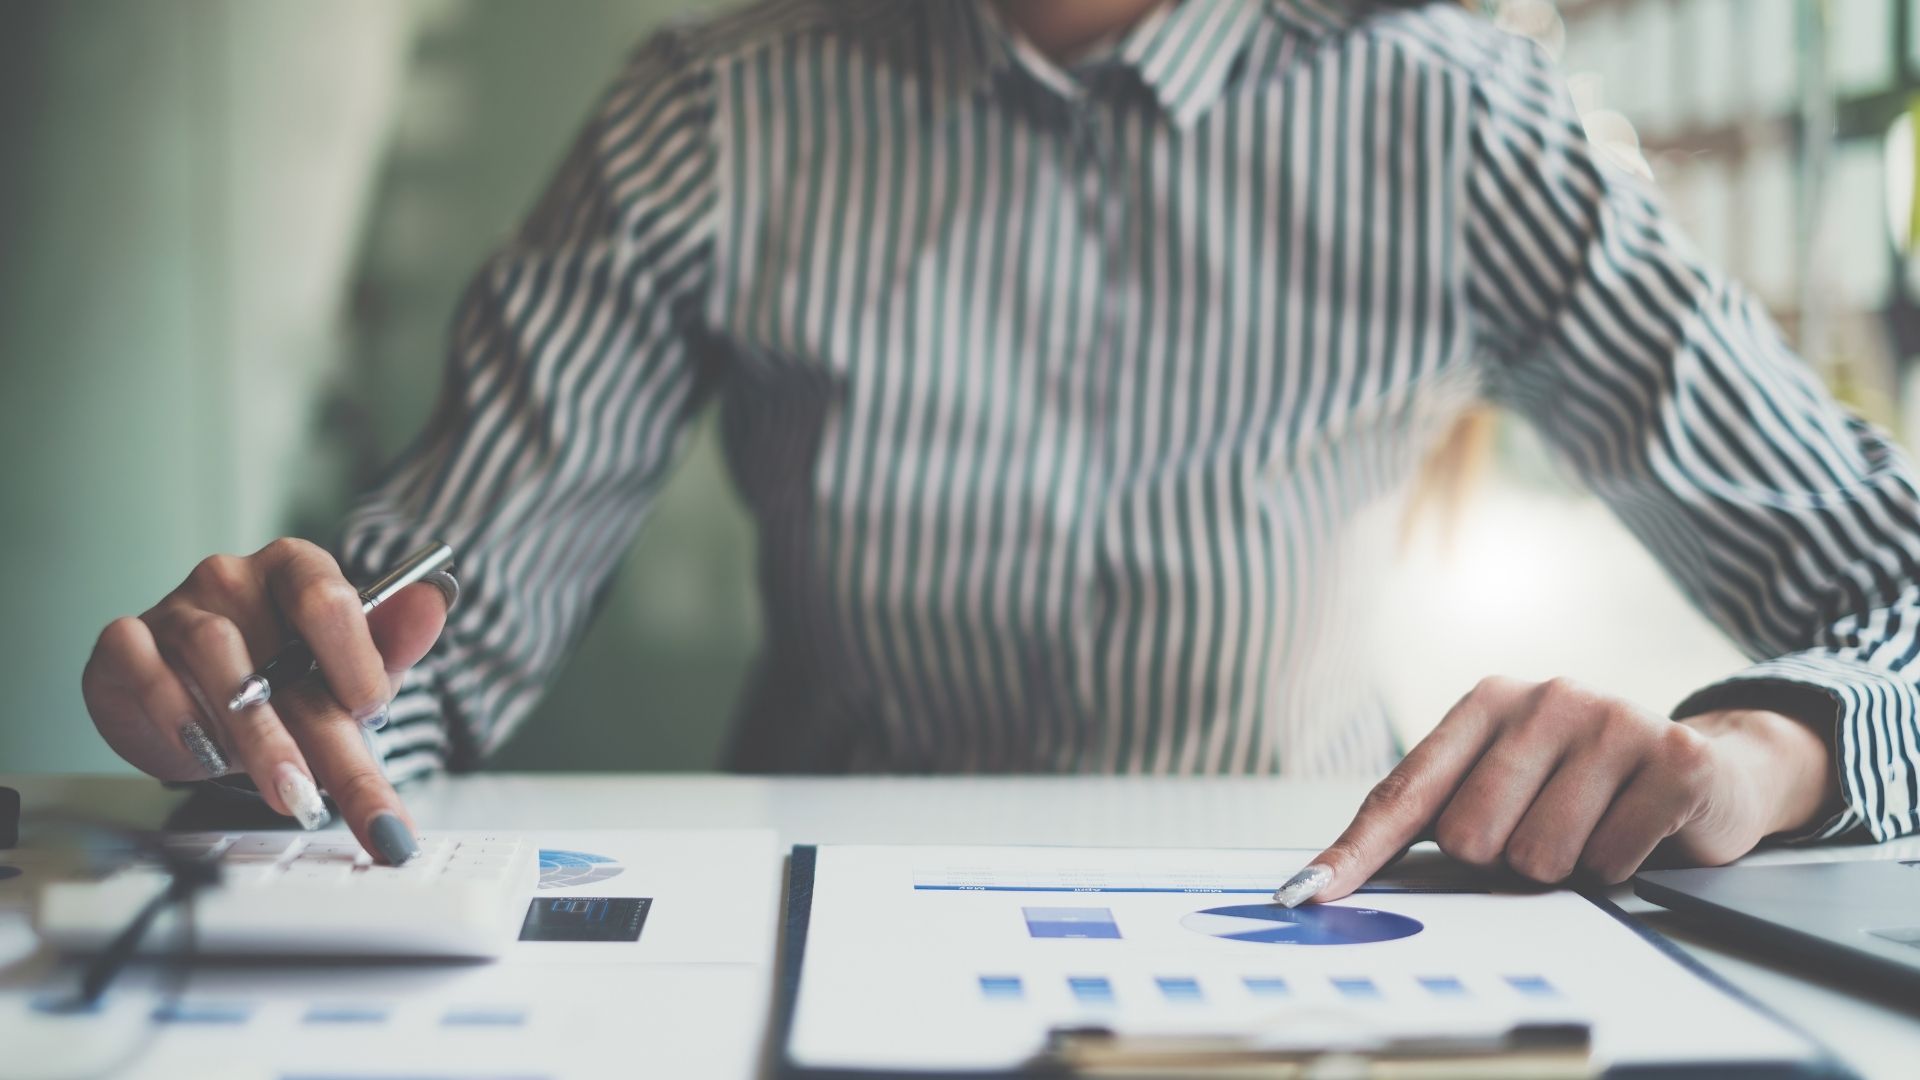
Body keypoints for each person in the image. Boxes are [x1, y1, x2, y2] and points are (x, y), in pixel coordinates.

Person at [82, 0, 1920, 898]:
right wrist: (281, 713)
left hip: (1315, 960)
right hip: (798, 976)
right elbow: (430, 638)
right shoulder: (714, 116)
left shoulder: (1467, 123)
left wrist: (1766, 754)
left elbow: (1893, 591)